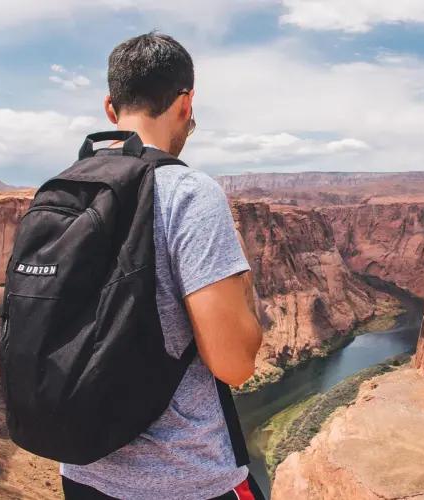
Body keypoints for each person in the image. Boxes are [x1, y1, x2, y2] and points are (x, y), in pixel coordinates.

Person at [58, 32, 265, 500]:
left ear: (111, 108)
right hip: (186, 479)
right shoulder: (189, 192)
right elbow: (235, 365)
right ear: (186, 104)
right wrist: (247, 297)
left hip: (82, 471)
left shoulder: (64, 192)